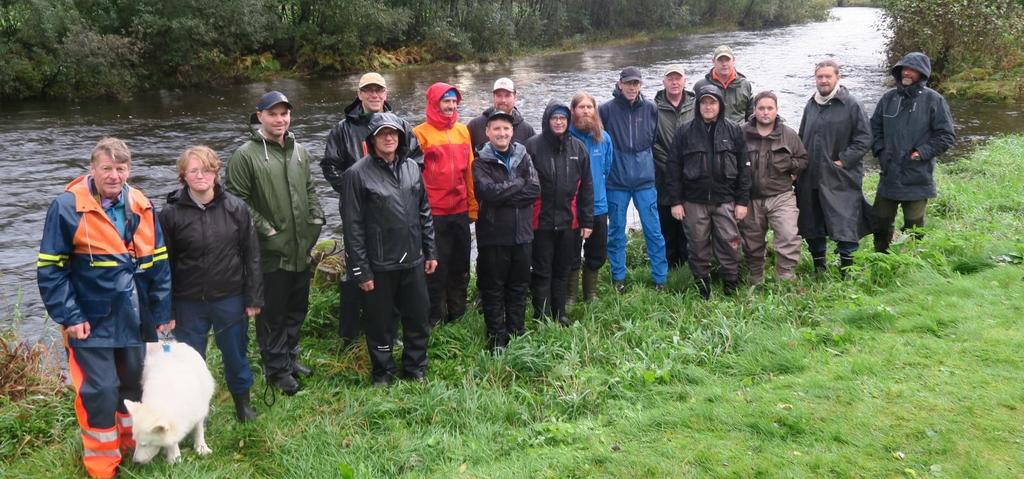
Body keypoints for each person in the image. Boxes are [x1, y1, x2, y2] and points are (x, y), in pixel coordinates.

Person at [37, 137, 173, 478]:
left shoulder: (141, 203)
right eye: (107, 168)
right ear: (93, 169)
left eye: (121, 168)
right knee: (100, 390)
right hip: (90, 319)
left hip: (135, 315)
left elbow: (159, 263)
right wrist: (71, 316)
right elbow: (51, 269)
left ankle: (131, 445)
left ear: (129, 170)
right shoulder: (67, 207)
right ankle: (101, 465)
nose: (114, 175)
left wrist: (160, 312)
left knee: (132, 384)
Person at [226, 91, 324, 395]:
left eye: (284, 113)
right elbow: (236, 200)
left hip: (300, 247)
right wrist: (267, 230)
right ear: (260, 117)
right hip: (268, 253)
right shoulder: (245, 155)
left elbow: (309, 189)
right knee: (272, 314)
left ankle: (290, 358)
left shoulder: (300, 152)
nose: (279, 119)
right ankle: (276, 369)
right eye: (272, 114)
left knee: (297, 308)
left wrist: (316, 219)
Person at [159, 145, 263, 422]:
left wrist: (253, 298)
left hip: (230, 297)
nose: (201, 175)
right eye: (194, 170)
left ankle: (243, 406)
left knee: (236, 355)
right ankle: (196, 416)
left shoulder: (236, 208)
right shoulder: (169, 214)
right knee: (191, 362)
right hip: (188, 301)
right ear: (183, 176)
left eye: (206, 169)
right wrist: (166, 311)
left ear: (216, 172)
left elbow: (251, 255)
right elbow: (163, 266)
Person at [321, 72, 418, 347]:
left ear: (386, 94)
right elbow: (330, 165)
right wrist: (355, 193)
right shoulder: (342, 129)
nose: (374, 95)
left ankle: (391, 330)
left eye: (379, 91)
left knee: (392, 271)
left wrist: (396, 191)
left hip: (391, 213)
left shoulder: (398, 125)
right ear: (359, 95)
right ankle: (349, 334)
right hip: (359, 212)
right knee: (355, 269)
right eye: (369, 91)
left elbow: (415, 160)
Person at [341, 113, 437, 387]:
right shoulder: (356, 174)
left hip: (413, 260)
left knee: (418, 317)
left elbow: (424, 212)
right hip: (379, 264)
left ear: (401, 137)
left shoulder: (411, 168)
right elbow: (352, 227)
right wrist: (361, 270)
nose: (388, 138)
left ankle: (415, 367)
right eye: (382, 133)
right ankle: (382, 372)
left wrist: (430, 252)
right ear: (372, 139)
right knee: (380, 323)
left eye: (393, 133)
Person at [667, 85, 751, 299]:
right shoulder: (684, 131)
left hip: (726, 199)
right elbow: (673, 167)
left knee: (730, 242)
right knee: (697, 244)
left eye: (712, 102)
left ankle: (730, 284)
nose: (708, 106)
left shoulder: (734, 130)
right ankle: (702, 287)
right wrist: (676, 201)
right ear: (698, 106)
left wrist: (742, 202)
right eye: (704, 102)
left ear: (720, 105)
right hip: (693, 201)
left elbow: (745, 167)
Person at [870, 52, 956, 253]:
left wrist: (922, 152)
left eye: (912, 70)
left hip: (917, 174)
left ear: (922, 73)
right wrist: (881, 151)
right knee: (879, 221)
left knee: (914, 225)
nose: (906, 73)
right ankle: (881, 256)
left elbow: (946, 135)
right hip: (889, 173)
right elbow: (874, 129)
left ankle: (910, 260)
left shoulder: (934, 100)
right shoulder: (888, 98)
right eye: (903, 69)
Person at [796, 60, 873, 274]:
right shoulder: (811, 104)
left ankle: (847, 271)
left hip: (841, 177)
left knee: (844, 223)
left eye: (827, 76)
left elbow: (864, 139)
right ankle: (819, 268)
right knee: (812, 222)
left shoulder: (851, 104)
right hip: (811, 176)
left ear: (837, 78)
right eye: (820, 77)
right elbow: (802, 136)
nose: (823, 80)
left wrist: (843, 161)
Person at [473, 110, 541, 350]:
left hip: (522, 235)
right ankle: (496, 339)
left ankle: (517, 332)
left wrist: (505, 193)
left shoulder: (523, 156)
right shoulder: (480, 161)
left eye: (506, 129)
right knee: (493, 290)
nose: (502, 133)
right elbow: (487, 192)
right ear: (488, 132)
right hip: (493, 237)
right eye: (497, 129)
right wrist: (518, 184)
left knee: (519, 287)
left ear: (512, 132)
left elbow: (534, 189)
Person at [598, 66, 669, 292]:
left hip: (645, 182)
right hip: (616, 182)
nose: (631, 87)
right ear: (620, 84)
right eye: (628, 83)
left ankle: (660, 279)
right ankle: (618, 277)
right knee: (617, 232)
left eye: (635, 83)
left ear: (641, 85)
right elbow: (600, 142)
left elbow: (654, 138)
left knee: (654, 231)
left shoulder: (650, 108)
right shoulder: (605, 110)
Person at [412, 82, 477, 326]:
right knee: (435, 266)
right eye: (445, 101)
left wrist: (473, 205)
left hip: (459, 209)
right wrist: (419, 212)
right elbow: (414, 177)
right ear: (434, 103)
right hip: (433, 213)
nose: (450, 106)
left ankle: (458, 314)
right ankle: (435, 317)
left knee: (460, 265)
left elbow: (470, 171)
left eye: (453, 102)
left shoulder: (462, 131)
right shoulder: (419, 134)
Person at [527, 101, 594, 323]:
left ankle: (560, 313)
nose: (558, 122)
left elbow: (587, 187)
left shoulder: (578, 148)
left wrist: (587, 221)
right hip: (540, 221)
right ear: (547, 121)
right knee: (542, 270)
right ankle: (542, 314)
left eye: (563, 119)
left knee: (562, 269)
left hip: (569, 221)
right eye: (554, 118)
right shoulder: (533, 146)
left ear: (568, 121)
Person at [739, 92, 808, 284]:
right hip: (751, 198)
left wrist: (791, 166)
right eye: (761, 108)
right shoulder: (742, 133)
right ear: (754, 110)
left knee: (788, 236)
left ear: (776, 110)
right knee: (751, 241)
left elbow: (803, 160)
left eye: (770, 108)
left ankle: (785, 277)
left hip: (781, 196)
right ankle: (755, 276)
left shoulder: (789, 134)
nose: (765, 112)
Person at [567, 91, 614, 303]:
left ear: (595, 110)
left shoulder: (603, 139)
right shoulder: (566, 138)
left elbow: (607, 168)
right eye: (581, 107)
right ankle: (570, 295)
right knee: (571, 253)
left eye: (589, 107)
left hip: (598, 206)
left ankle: (590, 293)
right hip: (573, 208)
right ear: (573, 111)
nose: (586, 111)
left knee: (597, 252)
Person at [653, 65, 696, 269]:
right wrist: (670, 164)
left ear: (684, 81)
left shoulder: (696, 105)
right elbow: (651, 142)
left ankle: (687, 264)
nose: (674, 82)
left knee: (688, 221)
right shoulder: (653, 107)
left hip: (691, 174)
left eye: (678, 78)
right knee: (666, 221)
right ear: (664, 82)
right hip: (663, 174)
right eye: (670, 79)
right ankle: (669, 265)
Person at [467, 77, 537, 151]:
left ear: (515, 97)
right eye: (499, 95)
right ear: (493, 97)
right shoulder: (475, 126)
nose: (503, 100)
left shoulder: (527, 130)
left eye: (507, 95)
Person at [693, 45, 753, 124]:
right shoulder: (700, 85)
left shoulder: (745, 85)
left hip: (739, 133)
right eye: (720, 60)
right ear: (713, 62)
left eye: (727, 60)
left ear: (734, 61)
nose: (724, 64)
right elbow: (693, 115)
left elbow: (751, 116)